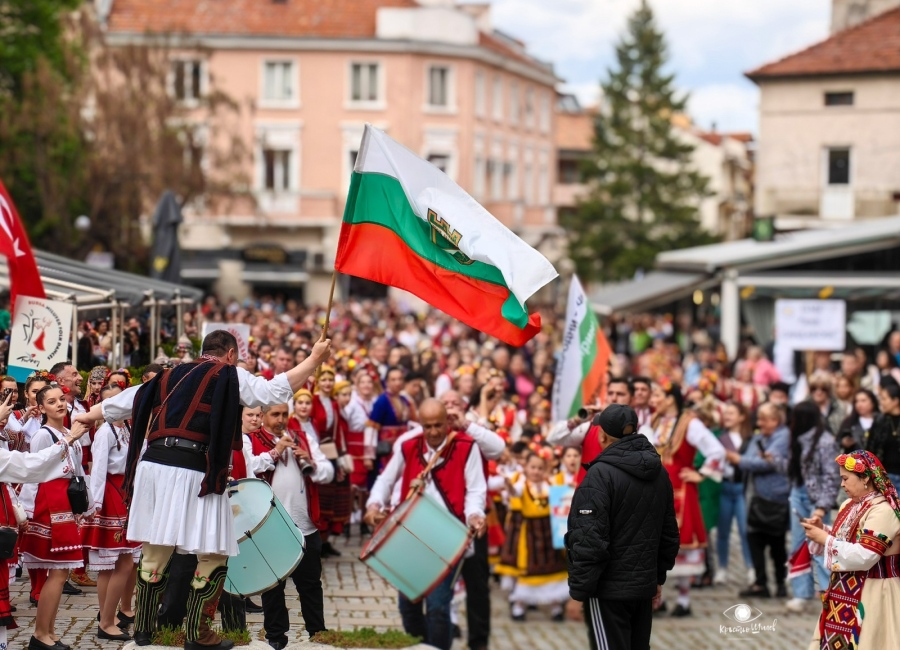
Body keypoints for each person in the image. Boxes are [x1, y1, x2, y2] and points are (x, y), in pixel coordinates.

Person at [75, 330, 332, 650]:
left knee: (156, 549)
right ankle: (199, 634)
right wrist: (314, 359)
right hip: (193, 467)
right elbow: (271, 391)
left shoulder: (169, 375)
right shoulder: (228, 373)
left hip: (153, 466)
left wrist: (86, 416)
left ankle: (143, 630)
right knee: (215, 552)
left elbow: (122, 403)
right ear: (231, 355)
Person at [364, 399, 487, 650]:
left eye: (438, 425)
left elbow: (475, 490)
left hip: (447, 539)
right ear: (420, 425)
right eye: (427, 426)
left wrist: (475, 514)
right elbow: (385, 480)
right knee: (407, 606)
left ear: (447, 422)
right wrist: (373, 505)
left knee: (438, 607)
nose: (433, 432)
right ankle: (421, 646)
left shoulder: (466, 446)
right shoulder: (408, 445)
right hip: (410, 537)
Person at [566, 404, 679, 650]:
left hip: (608, 590)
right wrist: (657, 577)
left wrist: (579, 590)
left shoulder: (600, 475)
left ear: (602, 435)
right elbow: (669, 534)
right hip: (643, 587)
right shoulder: (659, 472)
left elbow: (588, 539)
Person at [0, 392, 93, 650]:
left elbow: (77, 470)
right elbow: (33, 470)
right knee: (58, 571)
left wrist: (86, 503)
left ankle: (48, 632)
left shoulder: (66, 432)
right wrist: (26, 512)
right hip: (50, 502)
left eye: (61, 399)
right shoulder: (44, 435)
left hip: (64, 500)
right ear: (41, 408)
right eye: (51, 402)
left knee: (61, 573)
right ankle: (41, 634)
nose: (60, 404)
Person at [246, 397, 333, 650]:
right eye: (275, 414)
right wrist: (277, 451)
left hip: (305, 526)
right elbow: (247, 469)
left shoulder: (302, 436)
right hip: (271, 530)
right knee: (273, 588)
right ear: (263, 416)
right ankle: (276, 637)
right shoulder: (251, 440)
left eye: (284, 414)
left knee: (311, 586)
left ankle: (318, 634)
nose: (281, 420)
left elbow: (327, 472)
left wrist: (312, 461)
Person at [802, 450, 900, 649]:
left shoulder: (883, 511)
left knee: (870, 642)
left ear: (865, 478)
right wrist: (824, 531)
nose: (842, 484)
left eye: (845, 478)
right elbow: (847, 540)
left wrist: (826, 540)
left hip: (874, 592)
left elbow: (866, 555)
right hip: (843, 590)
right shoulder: (848, 505)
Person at [643, 380, 724, 616]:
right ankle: (659, 598)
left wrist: (701, 474)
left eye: (657, 395)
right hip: (655, 488)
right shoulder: (654, 421)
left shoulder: (691, 423)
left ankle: (684, 599)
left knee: (681, 544)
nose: (653, 400)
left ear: (670, 399)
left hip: (681, 490)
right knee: (654, 544)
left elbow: (715, 449)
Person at [82, 383, 140, 641]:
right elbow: (98, 470)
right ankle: (106, 621)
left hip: (124, 492)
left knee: (111, 565)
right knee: (123, 562)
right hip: (110, 495)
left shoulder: (127, 427)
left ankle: (109, 616)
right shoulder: (105, 432)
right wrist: (93, 504)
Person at [728, 402, 790, 599]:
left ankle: (780, 583)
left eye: (763, 419)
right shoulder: (757, 438)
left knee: (776, 542)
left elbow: (765, 463)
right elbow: (753, 459)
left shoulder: (783, 436)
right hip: (754, 497)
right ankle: (760, 583)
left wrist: (739, 460)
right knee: (754, 538)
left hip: (774, 497)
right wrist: (750, 460)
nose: (759, 423)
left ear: (775, 420)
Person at [500, 450, 569, 622]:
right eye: (532, 467)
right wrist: (508, 486)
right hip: (530, 532)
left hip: (549, 532)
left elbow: (564, 500)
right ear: (526, 468)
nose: (536, 471)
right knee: (527, 569)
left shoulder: (550, 484)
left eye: (539, 468)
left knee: (555, 567)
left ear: (544, 469)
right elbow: (514, 493)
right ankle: (519, 606)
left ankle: (556, 606)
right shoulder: (522, 486)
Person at [785, 402, 841, 613]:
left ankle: (829, 594)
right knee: (798, 545)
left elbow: (831, 476)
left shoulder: (825, 442)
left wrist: (822, 507)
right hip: (798, 493)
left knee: (820, 548)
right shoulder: (797, 440)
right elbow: (794, 467)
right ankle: (801, 593)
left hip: (816, 499)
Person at [714, 401, 754, 586]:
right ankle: (722, 568)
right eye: (726, 413)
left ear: (742, 416)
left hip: (742, 488)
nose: (727, 416)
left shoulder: (750, 438)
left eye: (731, 412)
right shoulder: (720, 438)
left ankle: (750, 567)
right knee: (723, 531)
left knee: (745, 530)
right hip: (724, 486)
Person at [867, 381, 900, 485]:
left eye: (884, 399)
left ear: (895, 401)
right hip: (884, 476)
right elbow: (870, 448)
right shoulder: (879, 421)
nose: (881, 402)